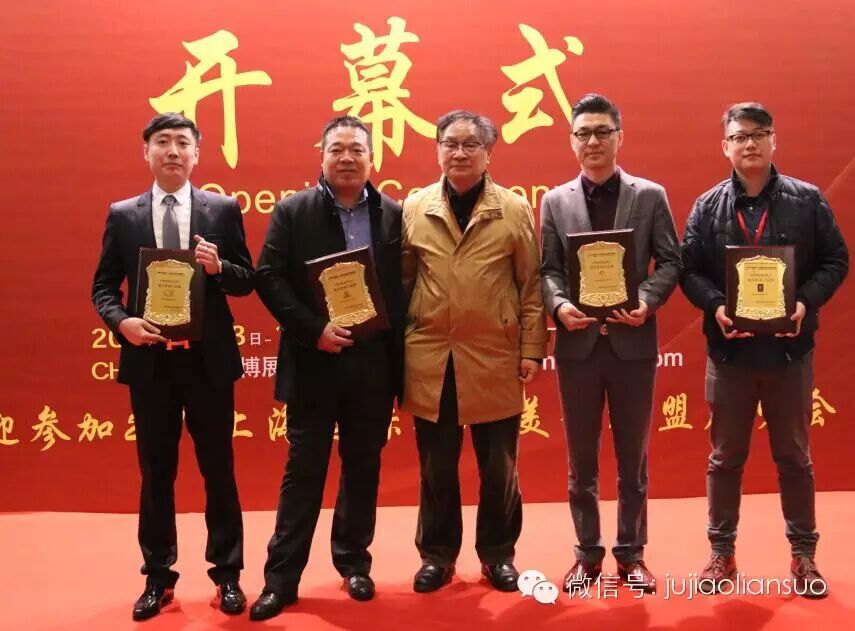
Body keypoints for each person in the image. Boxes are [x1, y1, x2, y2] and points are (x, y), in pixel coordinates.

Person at [681, 102, 848, 598]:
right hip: (730, 355)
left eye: (759, 134)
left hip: (788, 353)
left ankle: (804, 555)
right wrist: (716, 305)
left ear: (775, 140)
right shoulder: (707, 206)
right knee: (724, 459)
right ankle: (722, 553)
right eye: (739, 136)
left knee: (794, 458)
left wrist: (804, 302)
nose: (749, 143)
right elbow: (688, 270)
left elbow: (836, 260)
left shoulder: (807, 200)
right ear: (725, 146)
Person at [92, 112, 254, 620]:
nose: (172, 151)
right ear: (146, 152)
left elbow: (247, 279)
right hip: (151, 365)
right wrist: (123, 322)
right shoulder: (124, 215)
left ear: (197, 153)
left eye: (183, 142)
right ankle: (158, 577)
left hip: (207, 363)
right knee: (156, 473)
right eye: (162, 142)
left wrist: (219, 268)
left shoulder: (222, 209)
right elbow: (103, 287)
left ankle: (227, 574)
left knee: (218, 470)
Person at [250, 116, 404, 620]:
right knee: (304, 472)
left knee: (363, 467)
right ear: (321, 157)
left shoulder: (392, 214)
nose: (346, 158)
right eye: (336, 149)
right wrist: (313, 328)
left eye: (356, 149)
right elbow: (268, 276)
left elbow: (403, 288)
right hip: (314, 360)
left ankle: (354, 563)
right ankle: (281, 578)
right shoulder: (293, 211)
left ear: (372, 157)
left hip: (373, 363)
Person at [540, 93, 682, 594]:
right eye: (583, 133)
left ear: (620, 137)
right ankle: (587, 554)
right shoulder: (555, 201)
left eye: (603, 131)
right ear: (572, 141)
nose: (593, 141)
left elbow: (671, 260)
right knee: (580, 461)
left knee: (632, 460)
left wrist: (646, 299)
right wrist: (559, 305)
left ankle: (631, 554)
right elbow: (548, 269)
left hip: (632, 345)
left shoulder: (650, 196)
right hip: (578, 348)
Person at [401, 110, 547, 593]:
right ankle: (437, 556)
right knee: (436, 467)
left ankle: (498, 554)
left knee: (499, 468)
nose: (459, 153)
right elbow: (404, 283)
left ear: (488, 153)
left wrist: (531, 349)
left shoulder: (514, 209)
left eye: (471, 144)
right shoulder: (415, 206)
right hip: (432, 356)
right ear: (437, 150)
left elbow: (530, 285)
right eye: (450, 143)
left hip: (495, 354)